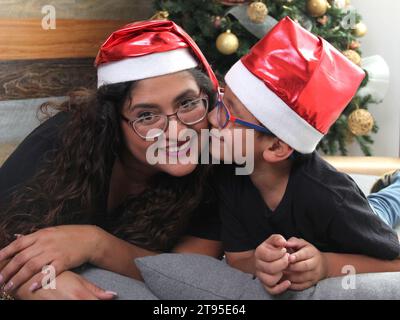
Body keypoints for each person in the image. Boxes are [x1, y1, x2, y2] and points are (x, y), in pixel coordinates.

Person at [0, 20, 222, 299]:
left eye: (187, 104)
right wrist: (38, 283)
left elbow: (190, 278)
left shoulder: (218, 160)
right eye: (146, 116)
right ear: (112, 122)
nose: (177, 133)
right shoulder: (59, 143)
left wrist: (95, 243)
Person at [207, 17, 400, 295]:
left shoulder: (331, 198)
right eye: (221, 100)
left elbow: (394, 262)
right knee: (378, 202)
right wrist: (259, 263)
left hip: (350, 223)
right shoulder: (230, 173)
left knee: (382, 209)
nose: (213, 117)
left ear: (276, 148)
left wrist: (325, 264)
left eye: (228, 112)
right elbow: (238, 259)